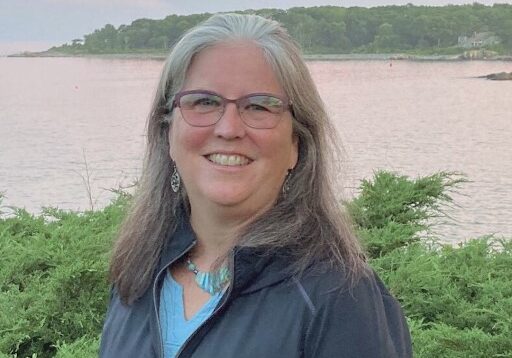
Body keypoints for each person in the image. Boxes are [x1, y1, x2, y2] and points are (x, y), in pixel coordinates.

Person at [99, 13, 412, 358]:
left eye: (260, 106)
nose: (229, 128)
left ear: (296, 143)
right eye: (204, 102)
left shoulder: (339, 297)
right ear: (167, 133)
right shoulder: (138, 275)